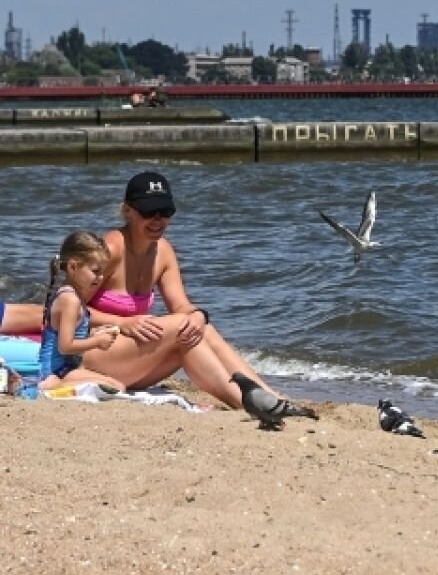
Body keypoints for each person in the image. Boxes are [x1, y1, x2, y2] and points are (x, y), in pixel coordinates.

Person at [82, 171, 277, 409]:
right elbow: (63, 308)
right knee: (179, 326)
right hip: (89, 354)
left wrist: (198, 315)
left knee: (197, 327)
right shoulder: (110, 249)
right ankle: (249, 403)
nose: (157, 220)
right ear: (128, 211)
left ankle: (268, 397)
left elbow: (181, 306)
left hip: (128, 360)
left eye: (165, 212)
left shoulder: (163, 251)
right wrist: (122, 323)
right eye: (148, 212)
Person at [37, 231, 124, 391]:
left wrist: (94, 333)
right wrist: (97, 342)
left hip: (66, 367)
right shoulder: (70, 299)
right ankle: (51, 385)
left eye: (103, 272)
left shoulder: (74, 295)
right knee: (117, 387)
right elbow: (65, 346)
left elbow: (70, 336)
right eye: (96, 271)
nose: (101, 277)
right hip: (55, 371)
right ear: (73, 267)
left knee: (117, 385)